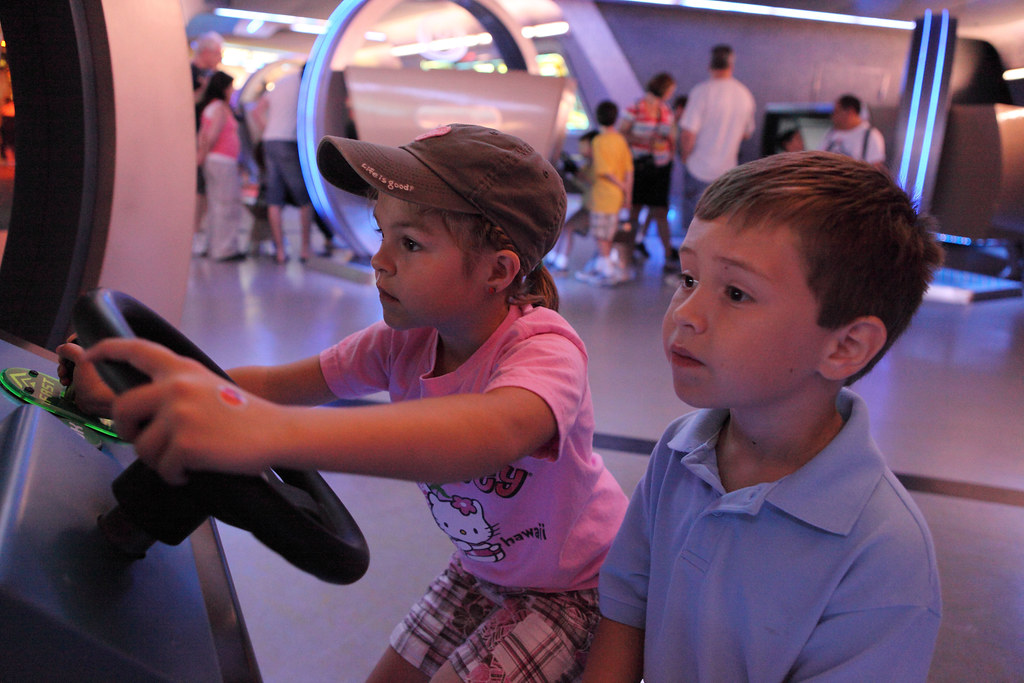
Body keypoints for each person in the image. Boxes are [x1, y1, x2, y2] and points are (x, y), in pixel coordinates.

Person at [59, 124, 629, 683]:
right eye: (381, 232)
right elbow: (275, 384)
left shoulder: (545, 349)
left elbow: (491, 432)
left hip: (573, 592)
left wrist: (267, 432)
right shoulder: (403, 341)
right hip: (480, 569)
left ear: (498, 271)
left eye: (410, 243)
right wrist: (130, 390)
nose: (380, 260)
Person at [582, 151, 944, 682]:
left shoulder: (885, 554)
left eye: (735, 293)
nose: (685, 314)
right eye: (687, 278)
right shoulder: (682, 449)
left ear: (846, 346)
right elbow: (627, 606)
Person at [678, 44, 755, 235]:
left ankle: (690, 265)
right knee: (718, 229)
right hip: (727, 172)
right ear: (732, 66)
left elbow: (688, 134)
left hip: (698, 169)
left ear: (710, 65)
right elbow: (747, 133)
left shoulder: (701, 92)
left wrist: (685, 157)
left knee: (693, 230)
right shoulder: (744, 94)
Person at [251, 64, 315, 264]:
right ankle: (305, 249)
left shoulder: (282, 81)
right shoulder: (306, 86)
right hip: (288, 142)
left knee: (274, 198)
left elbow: (256, 111)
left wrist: (268, 129)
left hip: (270, 141)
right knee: (305, 199)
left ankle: (280, 251)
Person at [620, 72, 677, 273]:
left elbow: (670, 135)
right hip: (641, 165)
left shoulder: (665, 110)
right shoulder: (635, 109)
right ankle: (629, 249)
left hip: (660, 165)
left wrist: (669, 150)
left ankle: (668, 254)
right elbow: (622, 133)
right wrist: (643, 141)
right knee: (635, 210)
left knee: (661, 210)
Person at [575, 100, 634, 287]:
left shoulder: (599, 141)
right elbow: (628, 170)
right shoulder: (620, 140)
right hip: (616, 197)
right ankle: (603, 267)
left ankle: (606, 269)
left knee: (600, 234)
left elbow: (604, 171)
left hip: (602, 195)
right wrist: (627, 192)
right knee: (608, 233)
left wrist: (621, 186)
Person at [196, 71, 246, 261]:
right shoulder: (219, 109)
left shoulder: (211, 107)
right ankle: (224, 249)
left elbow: (203, 135)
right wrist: (202, 154)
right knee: (225, 205)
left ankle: (215, 246)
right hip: (222, 161)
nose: (232, 91)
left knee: (217, 204)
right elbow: (211, 135)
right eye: (230, 87)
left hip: (216, 161)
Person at [190, 31, 224, 256]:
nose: (220, 58)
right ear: (206, 51)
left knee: (201, 190)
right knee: (195, 189)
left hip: (201, 141)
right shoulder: (190, 73)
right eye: (218, 53)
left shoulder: (210, 75)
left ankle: (195, 232)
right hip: (190, 138)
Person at [545, 129, 597, 274]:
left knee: (568, 228)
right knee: (565, 228)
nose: (582, 149)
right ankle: (554, 261)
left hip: (595, 207)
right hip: (589, 206)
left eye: (584, 146)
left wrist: (575, 173)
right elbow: (583, 183)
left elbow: (592, 183)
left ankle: (561, 265)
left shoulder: (598, 165)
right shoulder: (589, 165)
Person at [820, 93, 887, 172]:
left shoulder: (871, 136)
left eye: (836, 112)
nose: (832, 116)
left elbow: (876, 168)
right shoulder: (831, 133)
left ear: (850, 112)